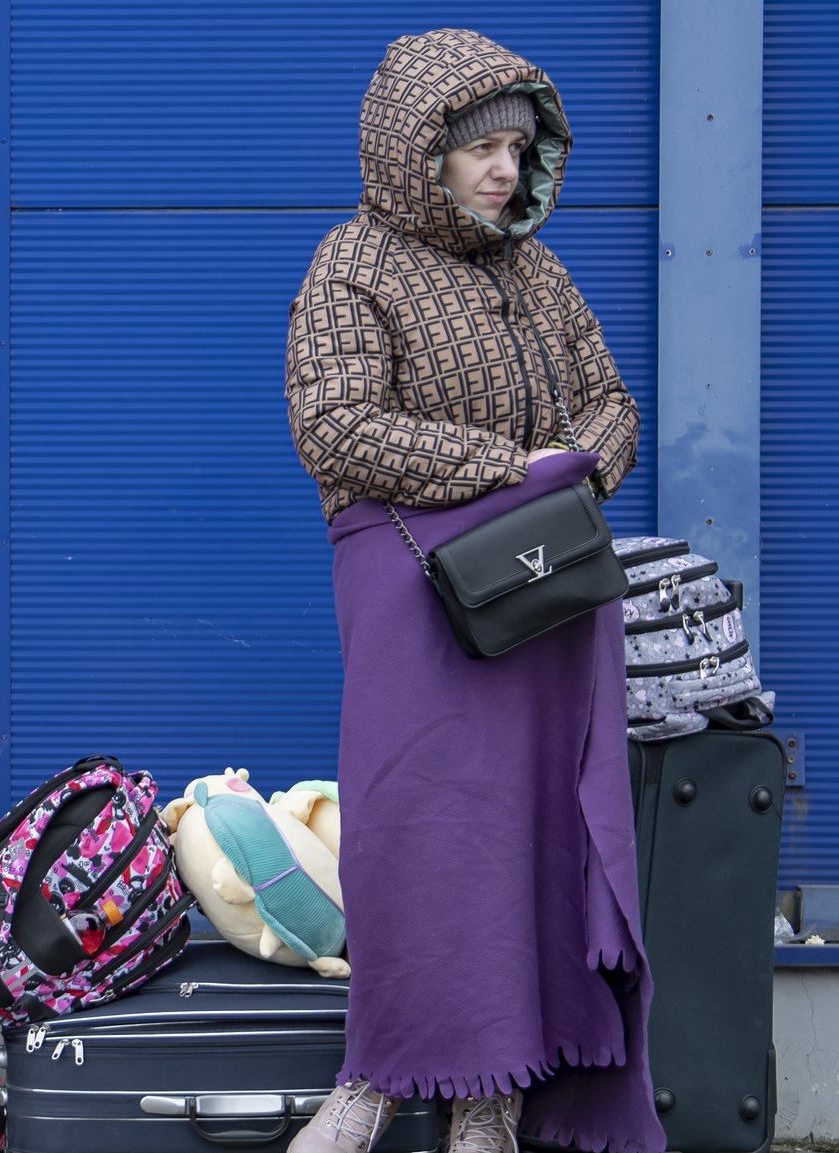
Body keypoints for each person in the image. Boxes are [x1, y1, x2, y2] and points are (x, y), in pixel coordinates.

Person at [283, 30, 661, 1153]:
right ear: (417, 155)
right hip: (409, 586)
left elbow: (610, 405)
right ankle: (377, 1076)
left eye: (517, 147)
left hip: (547, 595)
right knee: (415, 834)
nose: (503, 170)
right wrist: (514, 470)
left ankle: (489, 1096)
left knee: (534, 831)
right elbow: (333, 427)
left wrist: (572, 463)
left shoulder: (536, 272)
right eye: (479, 150)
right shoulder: (349, 264)